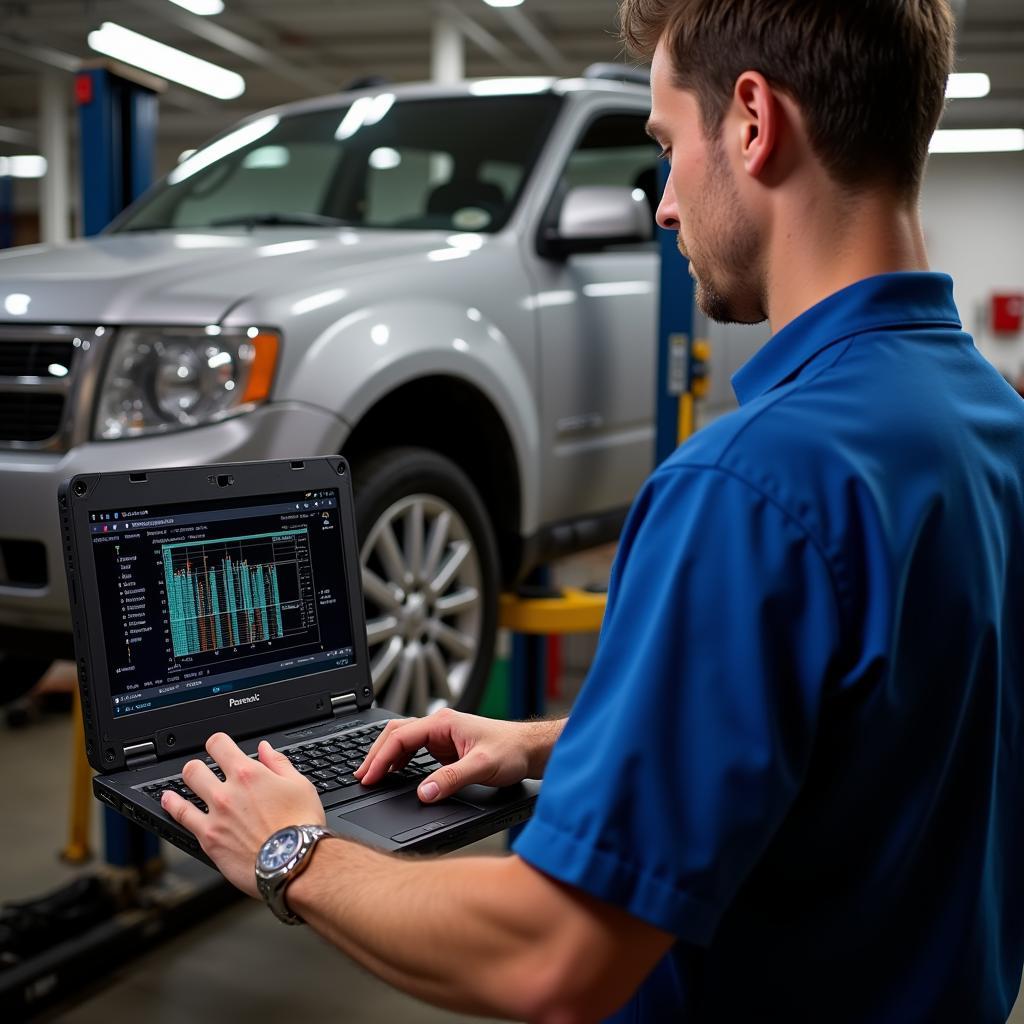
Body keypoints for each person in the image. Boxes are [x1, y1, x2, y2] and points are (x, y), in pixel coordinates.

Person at [160, 1, 1024, 1020]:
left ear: (752, 122)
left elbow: (553, 955)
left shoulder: (748, 485)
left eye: (665, 146)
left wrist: (290, 850)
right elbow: (876, 732)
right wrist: (561, 743)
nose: (661, 206)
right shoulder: (989, 421)